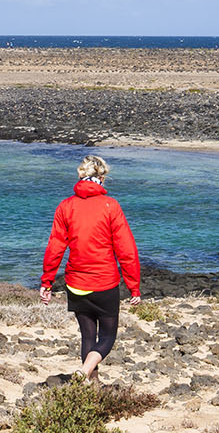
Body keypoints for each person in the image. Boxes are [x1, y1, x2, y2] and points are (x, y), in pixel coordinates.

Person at [39, 155, 142, 383]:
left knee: (87, 336)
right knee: (106, 336)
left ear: (80, 176)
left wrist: (46, 282)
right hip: (104, 283)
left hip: (75, 284)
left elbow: (55, 247)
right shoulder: (110, 206)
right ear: (102, 177)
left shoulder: (65, 206)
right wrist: (134, 286)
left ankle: (91, 388)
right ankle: (86, 373)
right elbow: (126, 250)